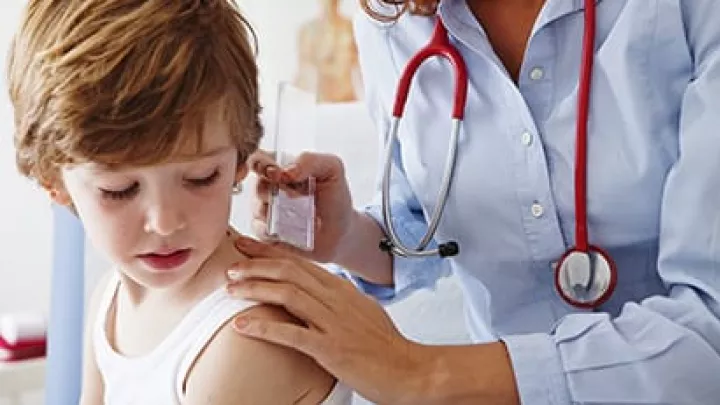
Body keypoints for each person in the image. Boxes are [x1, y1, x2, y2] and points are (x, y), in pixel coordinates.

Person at [225, 0, 720, 404]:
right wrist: (347, 236)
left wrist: (420, 372)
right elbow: (428, 226)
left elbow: (711, 330)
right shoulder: (391, 21)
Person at [6, 1, 351, 404]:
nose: (165, 223)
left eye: (200, 178)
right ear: (56, 186)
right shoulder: (112, 298)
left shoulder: (246, 337)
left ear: (241, 161)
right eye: (120, 189)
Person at [293, 0, 362, 103]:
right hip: (319, 102)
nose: (329, 3)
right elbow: (303, 73)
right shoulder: (307, 31)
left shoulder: (351, 28)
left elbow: (362, 70)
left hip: (348, 101)